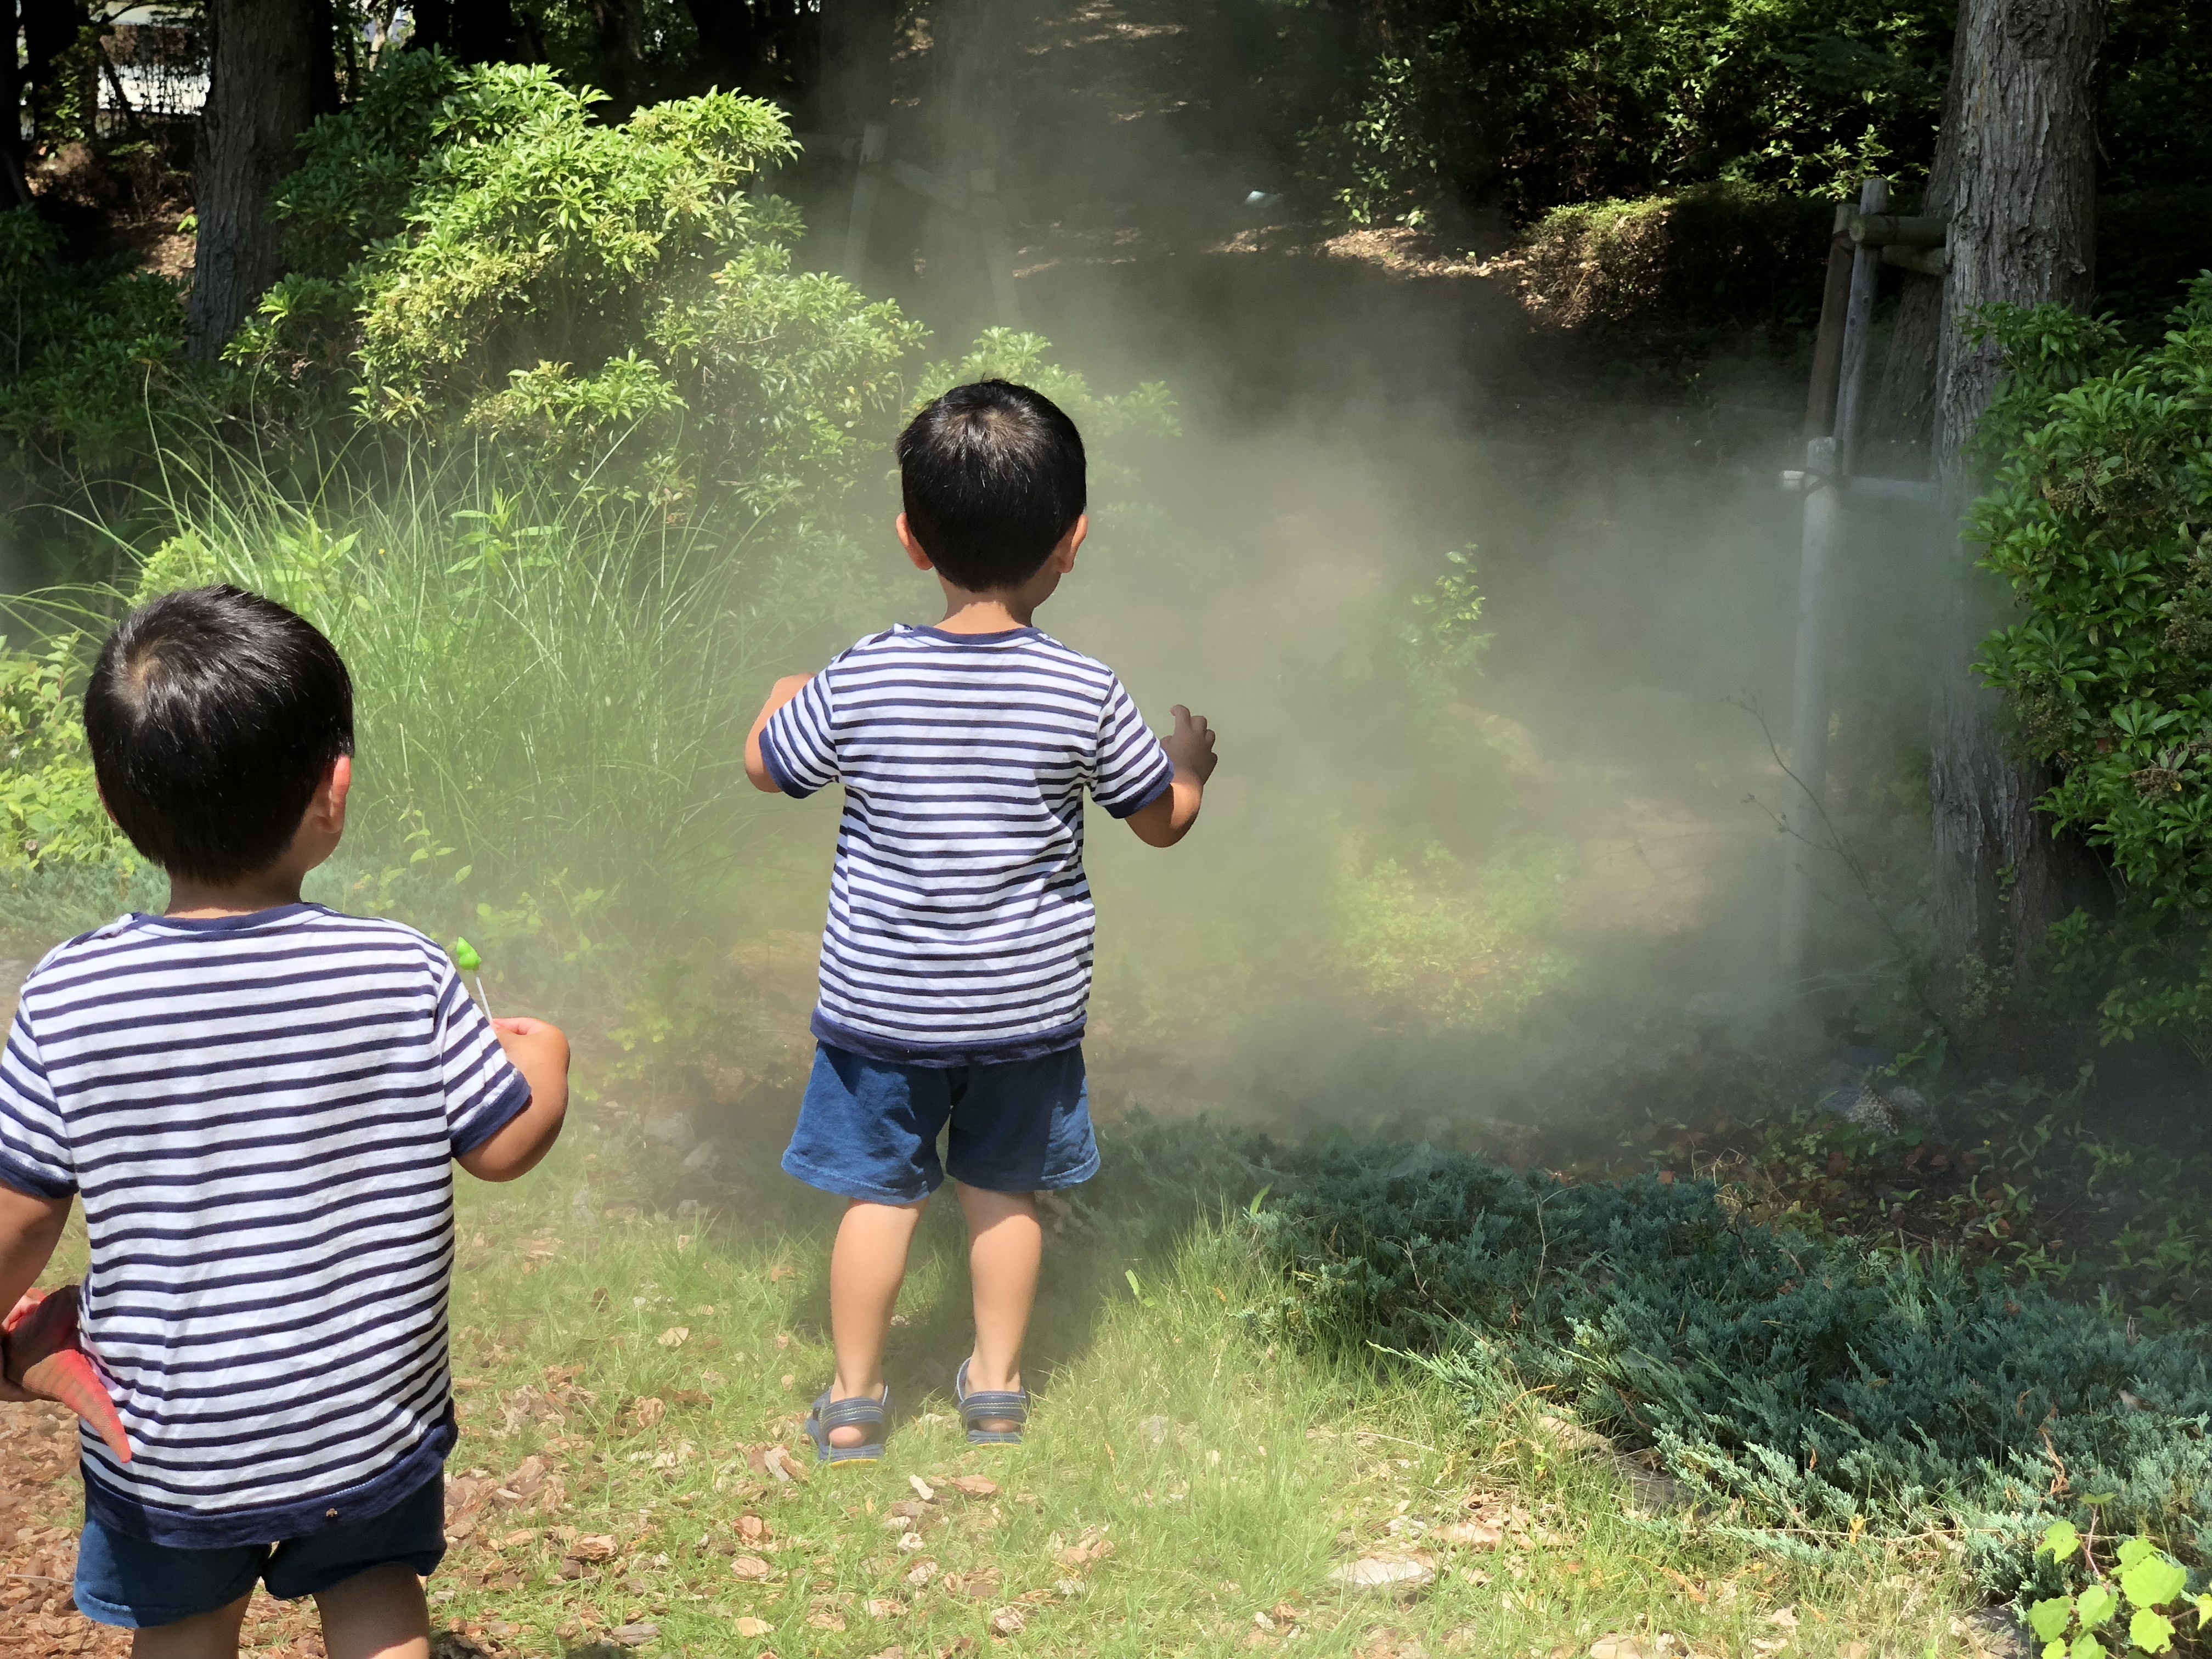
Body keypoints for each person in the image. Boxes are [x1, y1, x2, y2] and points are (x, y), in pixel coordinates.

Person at [0, 586, 569, 1659]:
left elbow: (22, 1220)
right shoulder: (404, 971)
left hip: (173, 1447)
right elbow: (503, 1146)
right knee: (373, 1599)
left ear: (114, 806)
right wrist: (548, 1064)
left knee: (184, 1629)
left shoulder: (69, 996)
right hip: (367, 1427)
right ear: (334, 790)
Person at [743, 379, 1220, 1463]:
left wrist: (781, 696)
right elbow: (1161, 823)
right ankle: (996, 1388)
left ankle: (857, 1399)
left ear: (912, 541)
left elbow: (769, 770)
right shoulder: (1085, 691)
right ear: (1074, 540)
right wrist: (1188, 765)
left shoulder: (865, 674)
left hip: (883, 1009)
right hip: (1023, 1011)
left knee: (879, 1197)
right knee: (1006, 1191)